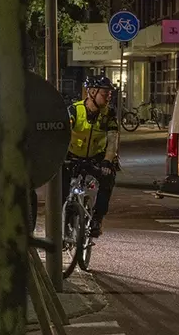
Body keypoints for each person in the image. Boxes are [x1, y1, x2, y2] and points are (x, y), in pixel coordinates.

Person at [64, 75, 119, 237]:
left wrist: (108, 162)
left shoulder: (109, 114)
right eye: (105, 93)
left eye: (110, 94)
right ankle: (63, 223)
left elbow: (112, 140)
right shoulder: (74, 110)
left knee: (108, 179)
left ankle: (97, 219)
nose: (109, 97)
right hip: (73, 155)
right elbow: (63, 134)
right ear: (92, 92)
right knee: (61, 187)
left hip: (96, 157)